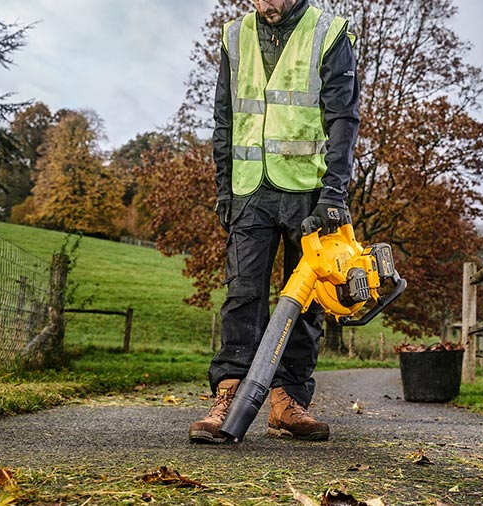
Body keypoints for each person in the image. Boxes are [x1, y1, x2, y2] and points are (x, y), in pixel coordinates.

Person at [188, 0, 359, 443]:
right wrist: (224, 187)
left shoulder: (329, 31)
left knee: (307, 301)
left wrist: (335, 193)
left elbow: (343, 119)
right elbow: (224, 118)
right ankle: (228, 394)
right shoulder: (234, 35)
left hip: (310, 189)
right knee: (242, 293)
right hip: (250, 188)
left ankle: (287, 401)